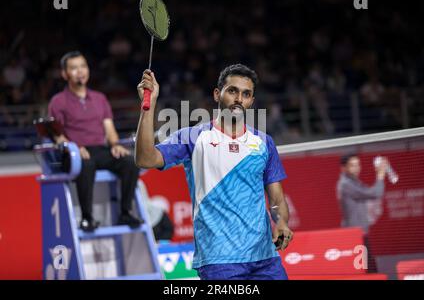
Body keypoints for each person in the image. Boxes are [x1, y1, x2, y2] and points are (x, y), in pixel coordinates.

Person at [134, 64, 293, 280]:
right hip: (219, 260)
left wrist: (281, 222)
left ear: (251, 101)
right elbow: (145, 158)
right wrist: (149, 106)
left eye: (246, 94)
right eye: (232, 91)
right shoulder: (193, 137)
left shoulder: (264, 143)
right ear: (218, 94)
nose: (239, 98)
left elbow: (276, 199)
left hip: (264, 258)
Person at [48, 51, 142, 232]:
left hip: (100, 150)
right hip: (75, 154)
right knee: (86, 163)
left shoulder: (100, 98)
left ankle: (125, 212)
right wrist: (73, 148)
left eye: (83, 66)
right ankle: (87, 218)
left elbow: (109, 129)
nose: (80, 71)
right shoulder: (58, 101)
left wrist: (115, 145)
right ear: (65, 74)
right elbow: (57, 134)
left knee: (130, 161)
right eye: (74, 68)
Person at [336, 153, 388, 272]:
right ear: (344, 168)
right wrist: (380, 176)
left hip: (361, 233)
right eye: (352, 165)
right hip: (354, 235)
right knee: (366, 270)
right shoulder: (346, 184)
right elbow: (375, 193)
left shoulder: (355, 182)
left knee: (370, 269)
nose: (357, 168)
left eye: (358, 164)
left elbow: (373, 192)